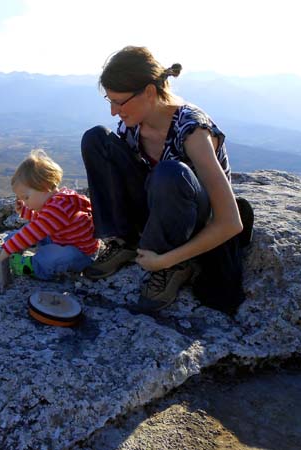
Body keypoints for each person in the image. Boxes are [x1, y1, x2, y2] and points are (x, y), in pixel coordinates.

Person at [81, 45, 251, 314]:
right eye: (109, 101)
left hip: (190, 218)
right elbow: (123, 177)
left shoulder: (192, 130)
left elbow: (230, 222)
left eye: (119, 101)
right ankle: (125, 242)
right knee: (96, 139)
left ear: (149, 92)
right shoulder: (133, 123)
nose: (114, 111)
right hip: (157, 203)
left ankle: (175, 266)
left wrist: (164, 260)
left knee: (171, 172)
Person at [0, 149, 100, 280]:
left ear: (45, 187)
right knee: (13, 237)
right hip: (61, 240)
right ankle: (16, 253)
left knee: (48, 257)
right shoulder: (54, 202)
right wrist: (24, 211)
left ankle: (32, 266)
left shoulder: (59, 207)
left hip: (80, 254)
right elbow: (45, 222)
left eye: (26, 197)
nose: (24, 202)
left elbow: (34, 231)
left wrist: (4, 253)